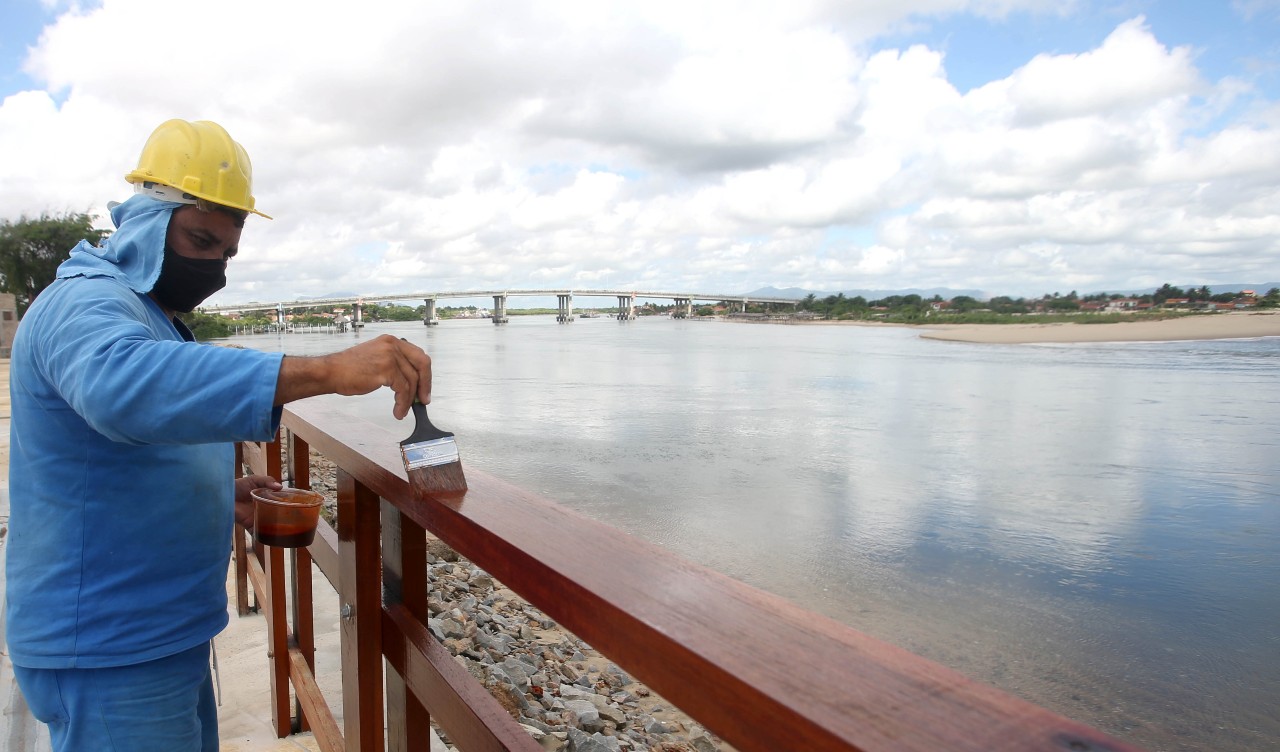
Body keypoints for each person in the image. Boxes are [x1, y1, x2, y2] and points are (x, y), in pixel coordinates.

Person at [5, 119, 432, 751]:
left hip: (158, 634)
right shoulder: (86, 303)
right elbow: (121, 388)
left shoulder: (146, 312)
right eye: (200, 240)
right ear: (147, 219)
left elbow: (125, 443)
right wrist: (325, 370)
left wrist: (217, 491)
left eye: (227, 252)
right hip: (108, 646)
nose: (214, 266)